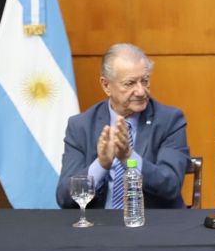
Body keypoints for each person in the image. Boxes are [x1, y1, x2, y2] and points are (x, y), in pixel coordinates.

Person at [56, 43, 189, 209]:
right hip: (99, 227)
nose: (141, 91)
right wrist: (101, 165)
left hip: (153, 225)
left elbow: (171, 185)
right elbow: (64, 197)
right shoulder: (81, 126)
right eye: (130, 83)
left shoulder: (169, 120)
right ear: (106, 86)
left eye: (145, 81)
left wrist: (129, 158)